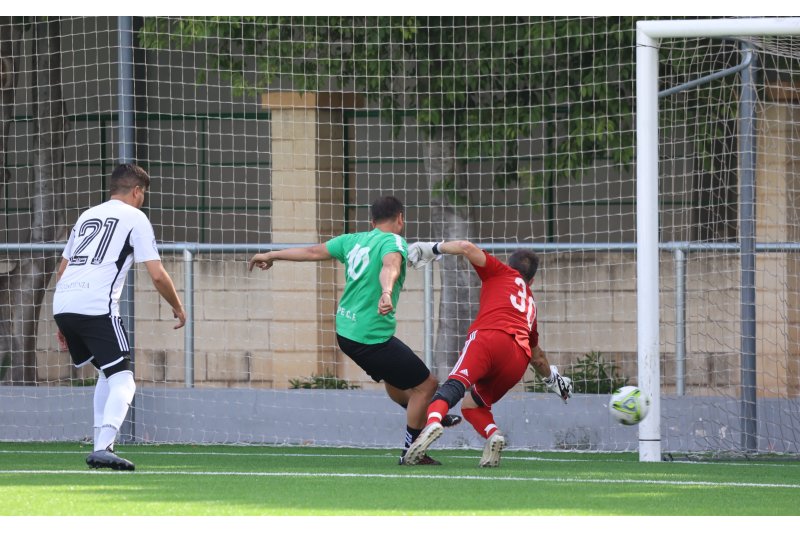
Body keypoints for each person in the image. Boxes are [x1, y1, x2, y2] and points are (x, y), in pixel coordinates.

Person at [248, 196, 460, 465]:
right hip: (371, 337)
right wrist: (386, 292)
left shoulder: (351, 240)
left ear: (371, 222)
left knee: (394, 378)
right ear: (401, 219)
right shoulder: (393, 241)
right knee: (427, 385)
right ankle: (412, 449)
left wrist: (272, 254)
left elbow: (312, 252)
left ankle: (424, 414)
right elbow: (391, 265)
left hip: (346, 333)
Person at [53, 163, 186, 471]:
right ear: (137, 191)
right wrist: (178, 306)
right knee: (125, 380)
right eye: (144, 194)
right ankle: (105, 446)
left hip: (65, 303)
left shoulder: (87, 215)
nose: (144, 200)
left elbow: (63, 270)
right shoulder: (135, 218)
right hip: (96, 306)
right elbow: (157, 273)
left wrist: (60, 321)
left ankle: (100, 446)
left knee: (106, 373)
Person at [402, 239, 572, 467]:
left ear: (509, 265)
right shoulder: (530, 304)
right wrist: (554, 381)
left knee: (454, 385)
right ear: (531, 280)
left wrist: (432, 249)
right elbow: (538, 357)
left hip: (489, 338)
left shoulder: (501, 271)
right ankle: (493, 435)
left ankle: (432, 423)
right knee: (473, 404)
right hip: (518, 359)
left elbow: (466, 247)